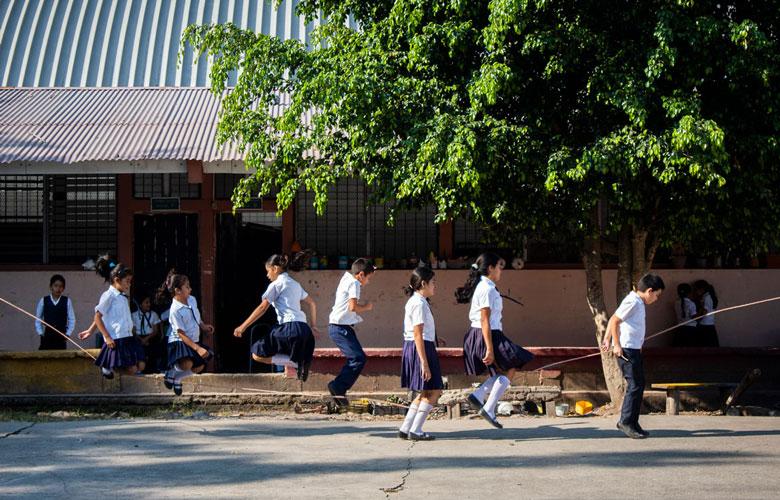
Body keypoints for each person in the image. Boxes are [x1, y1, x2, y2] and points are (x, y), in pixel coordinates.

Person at [455, 252, 534, 429]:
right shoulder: (486, 289)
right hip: (487, 334)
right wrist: (489, 349)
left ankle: (479, 396)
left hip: (488, 333)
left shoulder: (486, 286)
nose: (501, 270)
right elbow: (484, 319)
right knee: (512, 366)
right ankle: (488, 406)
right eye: (499, 266)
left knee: (507, 369)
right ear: (490, 268)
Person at [233, 253, 319, 382]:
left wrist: (243, 326)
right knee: (283, 350)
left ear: (275, 269)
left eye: (268, 271)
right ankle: (299, 362)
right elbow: (312, 303)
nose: (267, 275)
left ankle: (296, 363)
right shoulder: (295, 284)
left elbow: (263, 308)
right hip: (304, 330)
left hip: (289, 328)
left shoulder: (276, 284)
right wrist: (313, 325)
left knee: (257, 353)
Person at [602, 273, 665, 439]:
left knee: (639, 384)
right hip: (627, 350)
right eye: (657, 295)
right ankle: (626, 422)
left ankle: (633, 422)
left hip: (634, 349)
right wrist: (616, 344)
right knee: (635, 385)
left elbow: (612, 319)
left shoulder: (637, 302)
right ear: (650, 291)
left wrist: (606, 339)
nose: (656, 299)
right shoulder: (633, 301)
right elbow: (615, 320)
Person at [82, 255, 145, 379]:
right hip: (116, 339)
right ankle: (108, 366)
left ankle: (109, 366)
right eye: (127, 281)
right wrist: (107, 336)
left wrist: (90, 330)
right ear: (117, 280)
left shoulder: (122, 296)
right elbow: (98, 316)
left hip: (127, 337)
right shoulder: (109, 296)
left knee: (141, 365)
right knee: (132, 370)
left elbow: (103, 316)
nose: (129, 284)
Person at [398, 264, 442, 441]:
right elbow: (417, 333)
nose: (434, 285)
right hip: (420, 348)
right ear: (423, 283)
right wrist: (424, 362)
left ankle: (406, 427)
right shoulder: (418, 303)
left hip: (421, 346)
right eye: (433, 282)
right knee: (434, 390)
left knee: (425, 391)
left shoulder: (419, 302)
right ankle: (416, 430)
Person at [327, 258, 375, 400]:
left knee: (357, 358)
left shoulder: (346, 278)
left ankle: (339, 389)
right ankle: (338, 387)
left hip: (341, 327)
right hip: (340, 328)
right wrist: (367, 307)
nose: (368, 282)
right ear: (361, 275)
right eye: (368, 278)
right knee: (357, 358)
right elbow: (353, 307)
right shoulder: (354, 283)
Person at [159, 271, 214, 395]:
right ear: (178, 290)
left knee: (199, 366)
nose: (190, 289)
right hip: (179, 341)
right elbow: (181, 334)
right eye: (187, 287)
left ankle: (178, 379)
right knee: (187, 364)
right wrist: (198, 348)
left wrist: (204, 326)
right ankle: (171, 372)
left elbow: (196, 317)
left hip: (193, 339)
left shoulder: (192, 300)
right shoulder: (175, 310)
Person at [35, 274, 76, 350]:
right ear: (51, 287)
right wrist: (40, 333)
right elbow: (38, 318)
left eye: (61, 286)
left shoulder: (67, 301)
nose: (58, 288)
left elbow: (72, 319)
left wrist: (68, 333)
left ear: (63, 288)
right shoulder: (44, 300)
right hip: (47, 335)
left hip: (61, 335)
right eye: (56, 286)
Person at [132, 294, 163, 372]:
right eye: (146, 302)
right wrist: (141, 340)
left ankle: (152, 368)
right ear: (140, 304)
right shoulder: (134, 315)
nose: (149, 304)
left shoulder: (153, 314)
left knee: (153, 348)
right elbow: (133, 331)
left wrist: (146, 339)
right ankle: (140, 368)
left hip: (150, 337)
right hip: (138, 337)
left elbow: (155, 330)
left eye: (149, 302)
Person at [693, 279, 720, 347]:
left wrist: (696, 317)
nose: (695, 292)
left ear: (702, 289)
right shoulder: (707, 296)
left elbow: (705, 311)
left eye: (696, 289)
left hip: (705, 325)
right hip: (709, 324)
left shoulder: (707, 297)